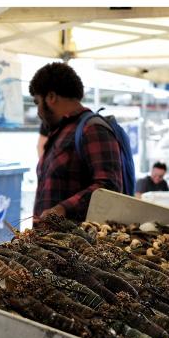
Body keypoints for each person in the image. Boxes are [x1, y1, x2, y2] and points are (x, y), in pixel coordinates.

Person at [29, 62, 123, 223]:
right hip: (48, 244)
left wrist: (63, 209)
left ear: (51, 97)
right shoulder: (60, 132)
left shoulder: (92, 129)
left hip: (78, 244)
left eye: (37, 102)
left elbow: (109, 187)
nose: (38, 111)